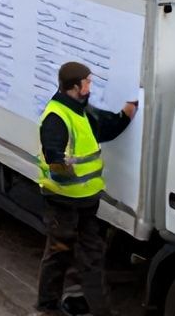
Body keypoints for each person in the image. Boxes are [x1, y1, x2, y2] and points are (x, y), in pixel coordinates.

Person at [36, 61, 138, 316]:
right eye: (87, 82)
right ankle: (47, 309)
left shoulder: (81, 111)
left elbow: (105, 128)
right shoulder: (56, 117)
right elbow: (53, 157)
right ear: (74, 87)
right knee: (59, 255)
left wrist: (126, 114)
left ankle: (99, 311)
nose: (91, 86)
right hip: (63, 204)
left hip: (85, 203)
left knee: (91, 258)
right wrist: (64, 167)